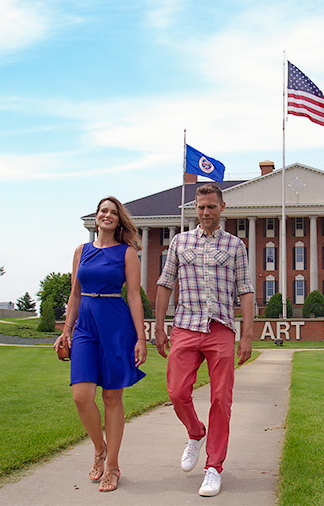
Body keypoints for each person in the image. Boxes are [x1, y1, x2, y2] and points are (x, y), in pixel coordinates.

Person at [155, 183, 254, 497]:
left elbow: (246, 291)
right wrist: (159, 327)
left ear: (222, 208)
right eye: (201, 207)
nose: (206, 212)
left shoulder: (235, 245)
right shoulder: (179, 242)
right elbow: (165, 283)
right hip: (185, 325)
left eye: (211, 206)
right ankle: (195, 433)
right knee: (176, 391)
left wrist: (247, 335)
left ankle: (213, 467)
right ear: (194, 210)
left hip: (220, 327)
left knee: (221, 399)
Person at [54, 196, 147, 492]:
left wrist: (141, 337)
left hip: (116, 326)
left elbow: (133, 295)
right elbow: (75, 295)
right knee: (81, 395)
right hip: (84, 328)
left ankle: (113, 466)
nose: (108, 215)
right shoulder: (81, 251)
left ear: (119, 220)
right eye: (103, 211)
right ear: (96, 218)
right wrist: (66, 330)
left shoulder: (127, 252)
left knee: (111, 398)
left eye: (113, 212)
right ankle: (99, 448)